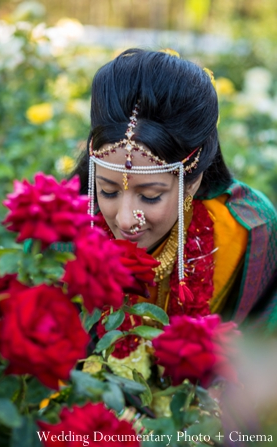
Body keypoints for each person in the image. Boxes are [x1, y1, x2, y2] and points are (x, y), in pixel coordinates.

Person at [73, 48, 277, 332]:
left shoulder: (249, 229)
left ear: (193, 180)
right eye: (108, 191)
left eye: (150, 196)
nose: (125, 219)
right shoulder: (64, 229)